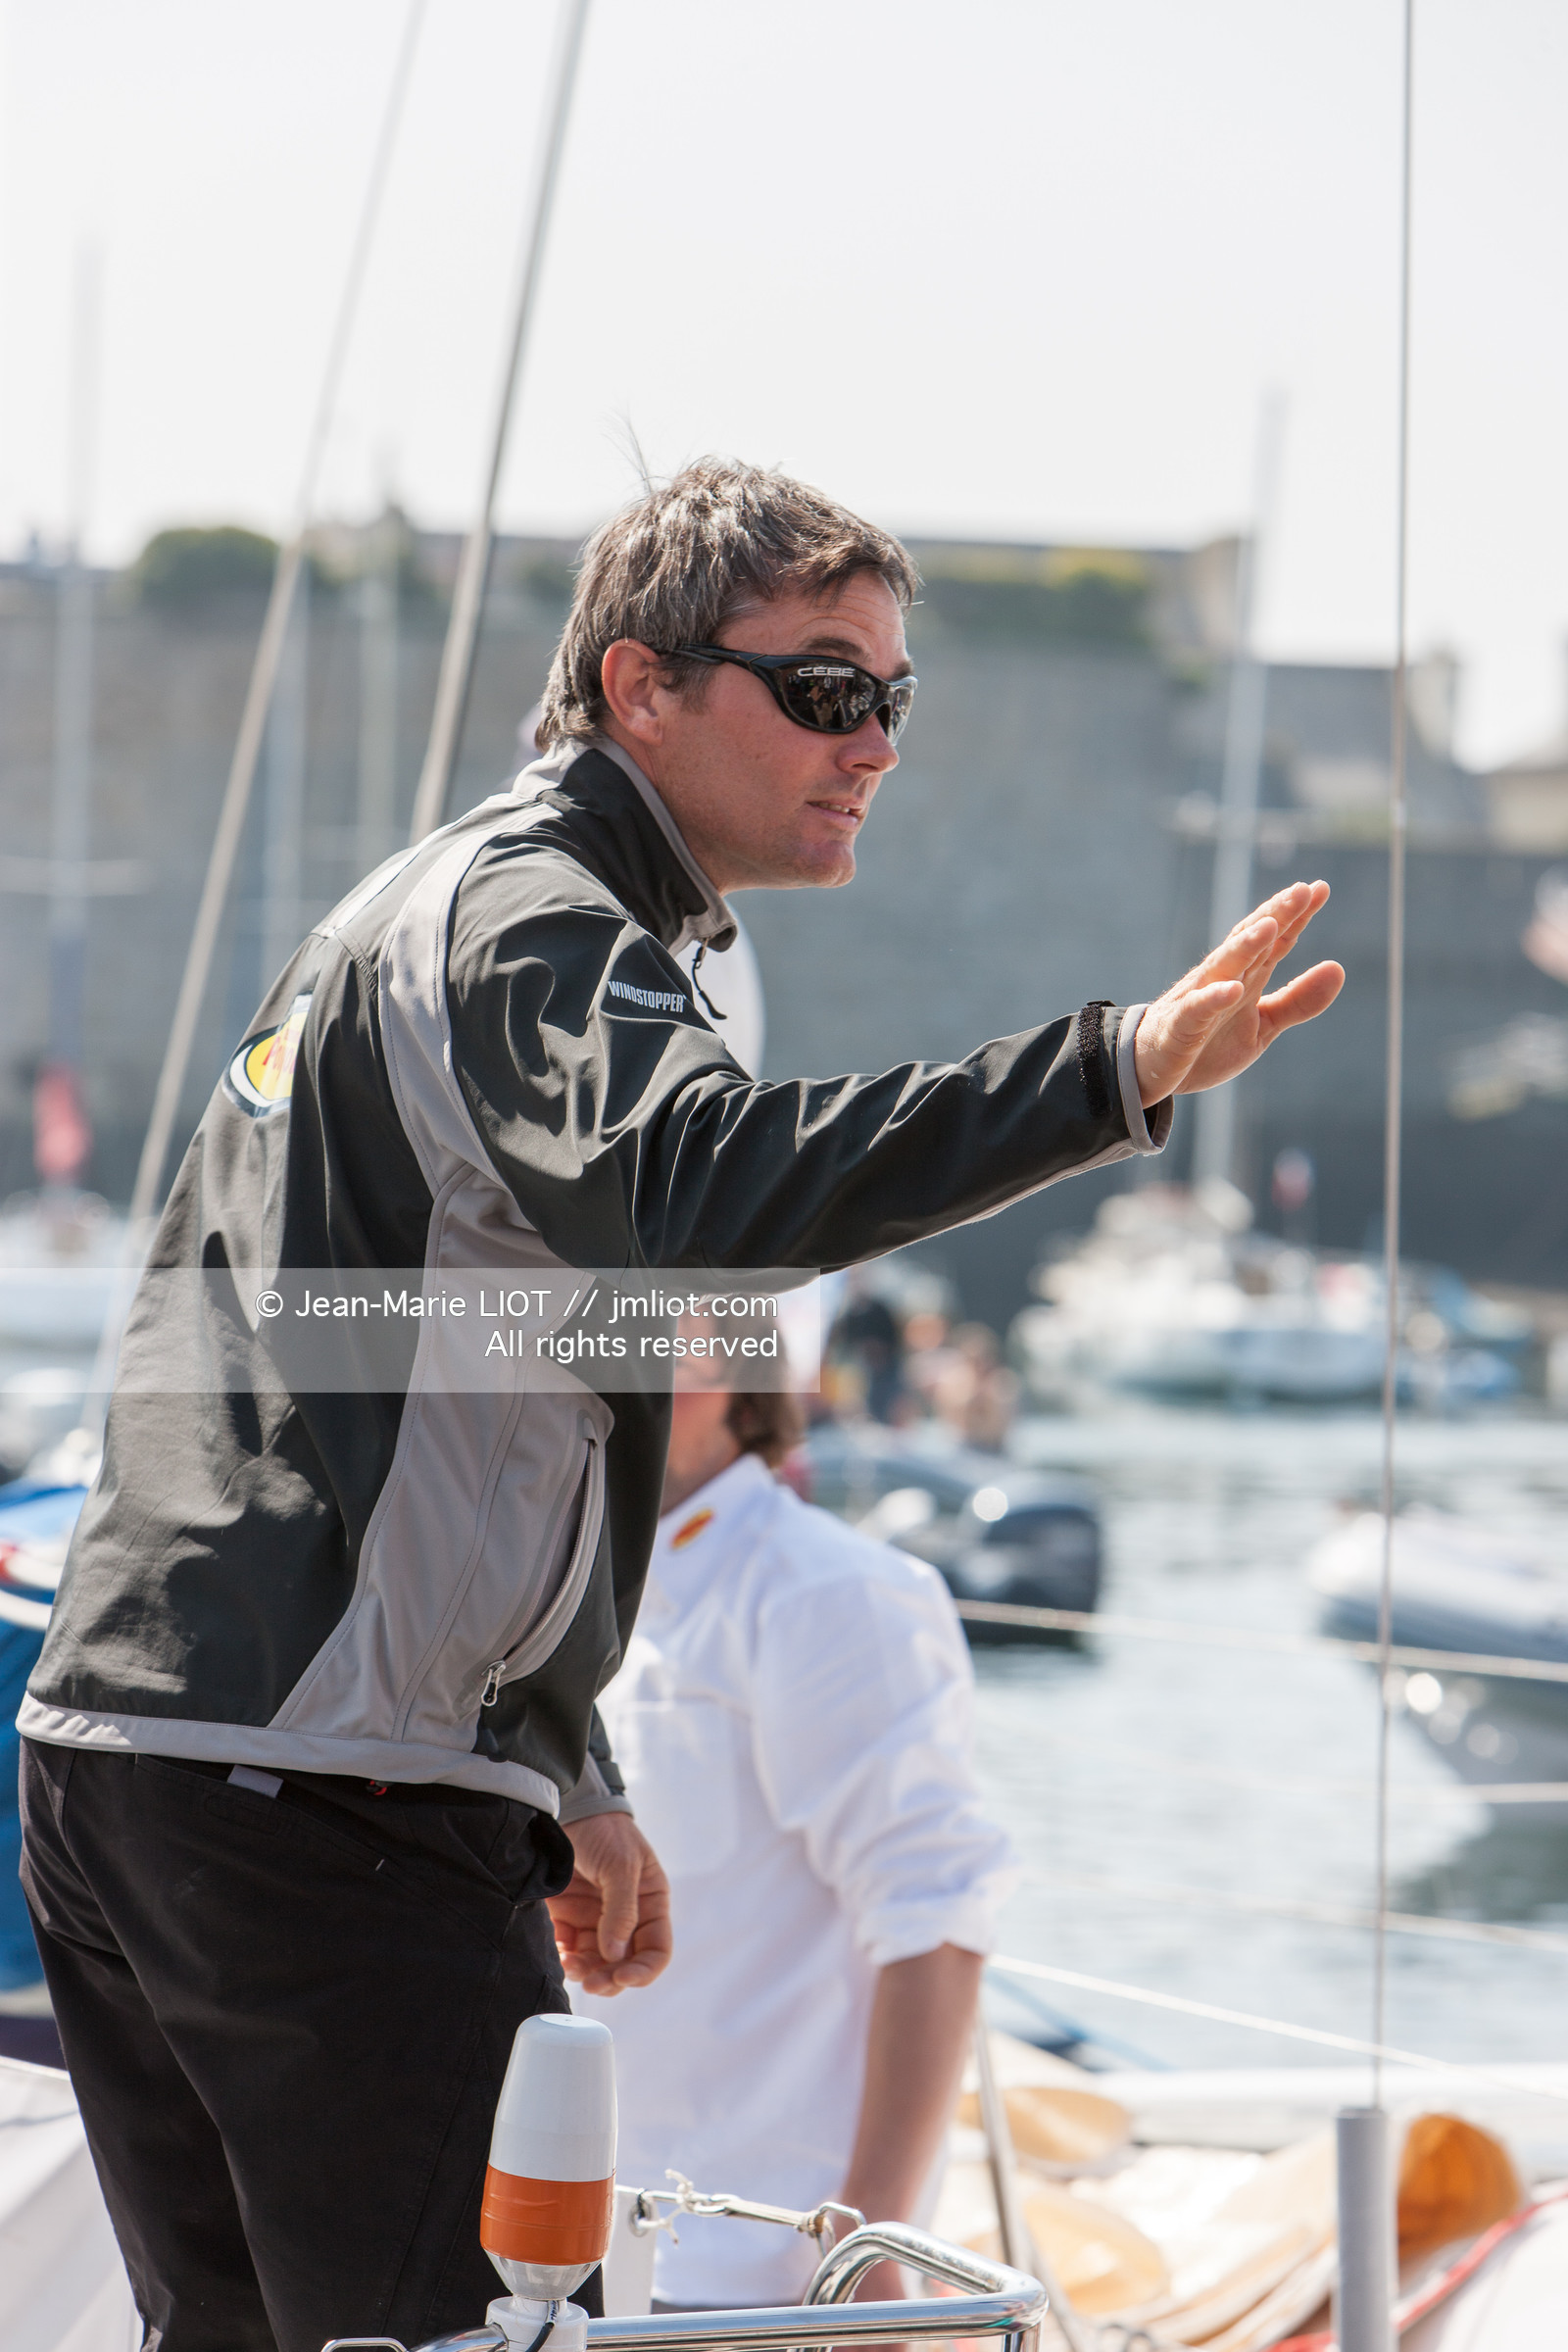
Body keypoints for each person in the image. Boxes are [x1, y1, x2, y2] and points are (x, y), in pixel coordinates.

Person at [19, 458, 1343, 2352]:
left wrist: (564, 1764)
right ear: (641, 687)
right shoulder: (537, 925)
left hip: (148, 1755)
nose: (871, 741)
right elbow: (702, 1194)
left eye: (893, 697)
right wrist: (1112, 1068)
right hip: (322, 1791)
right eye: (823, 687)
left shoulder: (431, 916)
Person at [566, 1334, 1014, 2312]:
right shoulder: (568, 1595)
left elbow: (935, 1918)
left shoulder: (828, 1593)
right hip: (576, 2247)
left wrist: (869, 2237)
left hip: (756, 2275)